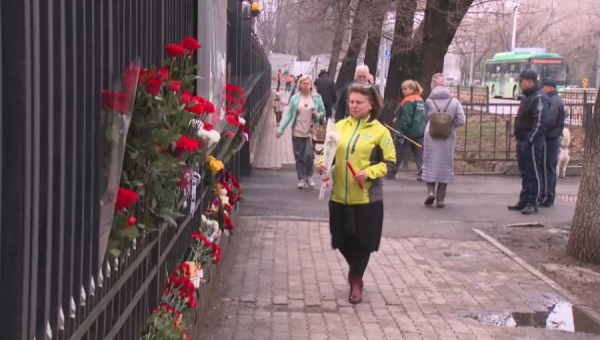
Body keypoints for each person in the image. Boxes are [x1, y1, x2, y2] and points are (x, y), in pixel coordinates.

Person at [317, 83, 395, 304]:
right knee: (340, 238)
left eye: (358, 102)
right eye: (351, 101)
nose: (353, 105)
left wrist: (369, 173)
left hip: (367, 198)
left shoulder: (380, 132)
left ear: (371, 105)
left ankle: (356, 280)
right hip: (340, 195)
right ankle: (356, 270)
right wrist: (322, 164)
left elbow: (390, 164)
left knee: (363, 242)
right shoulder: (339, 126)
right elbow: (327, 155)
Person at [508, 69, 549, 215]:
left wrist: (530, 139)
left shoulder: (538, 98)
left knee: (533, 173)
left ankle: (533, 202)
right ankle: (524, 200)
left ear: (530, 81)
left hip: (531, 141)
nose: (519, 83)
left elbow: (540, 121)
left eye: (521, 80)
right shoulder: (527, 97)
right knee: (525, 172)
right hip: (522, 139)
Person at [422, 74, 466, 208]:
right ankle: (441, 199)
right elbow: (461, 120)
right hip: (447, 137)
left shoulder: (429, 101)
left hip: (431, 136)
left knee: (430, 164)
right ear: (445, 86)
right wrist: (450, 125)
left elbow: (425, 117)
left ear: (432, 86)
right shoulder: (454, 102)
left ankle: (430, 192)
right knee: (445, 166)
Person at [277, 75, 326, 189]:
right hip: (297, 131)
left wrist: (317, 114)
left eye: (307, 83)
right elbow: (289, 115)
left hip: (310, 132)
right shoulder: (295, 98)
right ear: (300, 85)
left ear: (310, 85)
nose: (305, 85)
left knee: (309, 155)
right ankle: (301, 178)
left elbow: (323, 112)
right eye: (303, 83)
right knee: (299, 156)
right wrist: (281, 130)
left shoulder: (317, 98)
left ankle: (309, 176)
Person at [389, 80, 426, 181]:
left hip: (407, 132)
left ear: (412, 89)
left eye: (405, 89)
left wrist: (401, 130)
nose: (403, 91)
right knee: (418, 154)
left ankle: (392, 172)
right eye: (403, 89)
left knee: (399, 152)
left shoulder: (408, 101)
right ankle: (422, 173)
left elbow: (407, 117)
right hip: (419, 131)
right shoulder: (420, 100)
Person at [539, 77, 565, 207]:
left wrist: (539, 128)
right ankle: (546, 195)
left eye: (543, 86)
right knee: (547, 167)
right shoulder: (553, 99)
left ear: (550, 87)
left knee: (547, 167)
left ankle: (547, 196)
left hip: (550, 138)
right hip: (551, 137)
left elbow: (550, 120)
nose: (541, 88)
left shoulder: (553, 101)